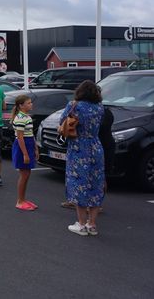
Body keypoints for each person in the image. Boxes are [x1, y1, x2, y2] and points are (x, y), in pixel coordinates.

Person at [61, 80, 105, 236]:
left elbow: (62, 123)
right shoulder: (100, 108)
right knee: (95, 184)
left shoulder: (75, 105)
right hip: (96, 146)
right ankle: (92, 224)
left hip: (79, 147)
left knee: (79, 183)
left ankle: (80, 223)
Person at [11, 94, 39, 211]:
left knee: (27, 174)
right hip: (23, 147)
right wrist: (25, 154)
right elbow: (21, 138)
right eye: (28, 103)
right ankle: (20, 201)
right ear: (21, 105)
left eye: (30, 102)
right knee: (24, 175)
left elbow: (30, 134)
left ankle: (23, 199)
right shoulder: (20, 118)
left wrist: (35, 148)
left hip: (29, 145)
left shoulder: (27, 117)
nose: (31, 104)